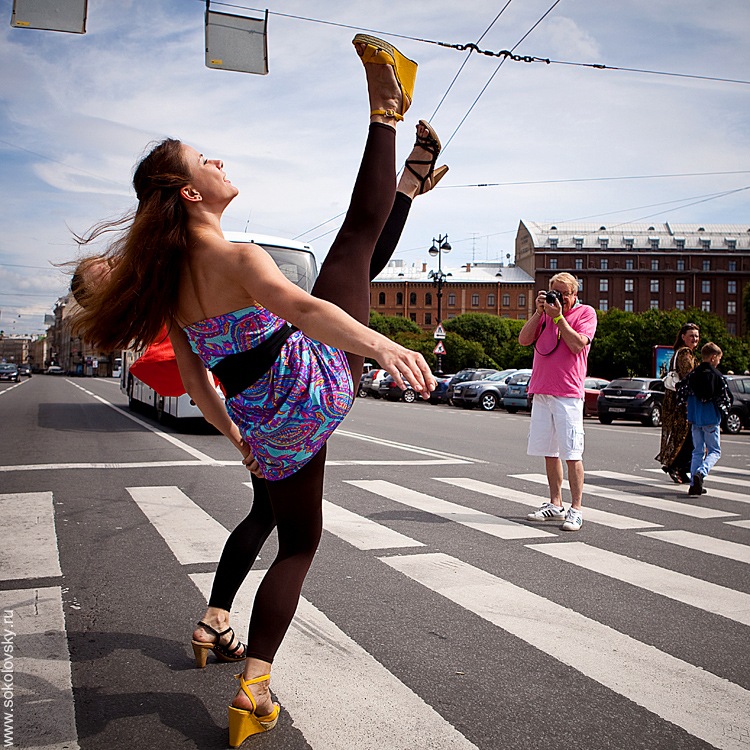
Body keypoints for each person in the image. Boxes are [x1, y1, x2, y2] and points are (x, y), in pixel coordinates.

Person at [71, 34, 440, 747]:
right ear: (190, 192)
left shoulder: (170, 289)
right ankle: (387, 114)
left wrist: (240, 437)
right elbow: (304, 311)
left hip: (267, 417)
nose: (217, 162)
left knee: (295, 544)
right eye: (203, 161)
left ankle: (254, 685)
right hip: (316, 379)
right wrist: (385, 345)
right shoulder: (239, 256)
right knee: (354, 245)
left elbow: (200, 387)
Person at [518, 272, 598, 532]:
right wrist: (539, 313)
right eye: (555, 292)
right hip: (542, 391)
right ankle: (555, 503)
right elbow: (524, 339)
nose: (560, 298)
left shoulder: (586, 313)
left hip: (568, 393)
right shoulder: (545, 315)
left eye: (565, 293)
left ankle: (576, 509)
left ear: (574, 295)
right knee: (549, 453)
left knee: (572, 453)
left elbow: (577, 345)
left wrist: (559, 318)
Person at [682, 342, 731, 496]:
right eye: (719, 359)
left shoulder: (692, 375)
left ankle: (693, 485)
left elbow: (682, 393)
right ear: (713, 357)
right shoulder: (717, 376)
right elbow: (726, 398)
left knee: (697, 451)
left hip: (695, 418)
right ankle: (701, 474)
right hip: (711, 418)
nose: (719, 362)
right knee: (715, 451)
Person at [656, 322, 700, 483]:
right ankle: (675, 466)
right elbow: (689, 378)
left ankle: (678, 467)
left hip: (676, 399)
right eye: (691, 336)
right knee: (685, 436)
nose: (694, 339)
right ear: (683, 337)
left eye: (696, 336)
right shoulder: (685, 354)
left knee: (683, 435)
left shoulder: (678, 353)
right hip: (682, 401)